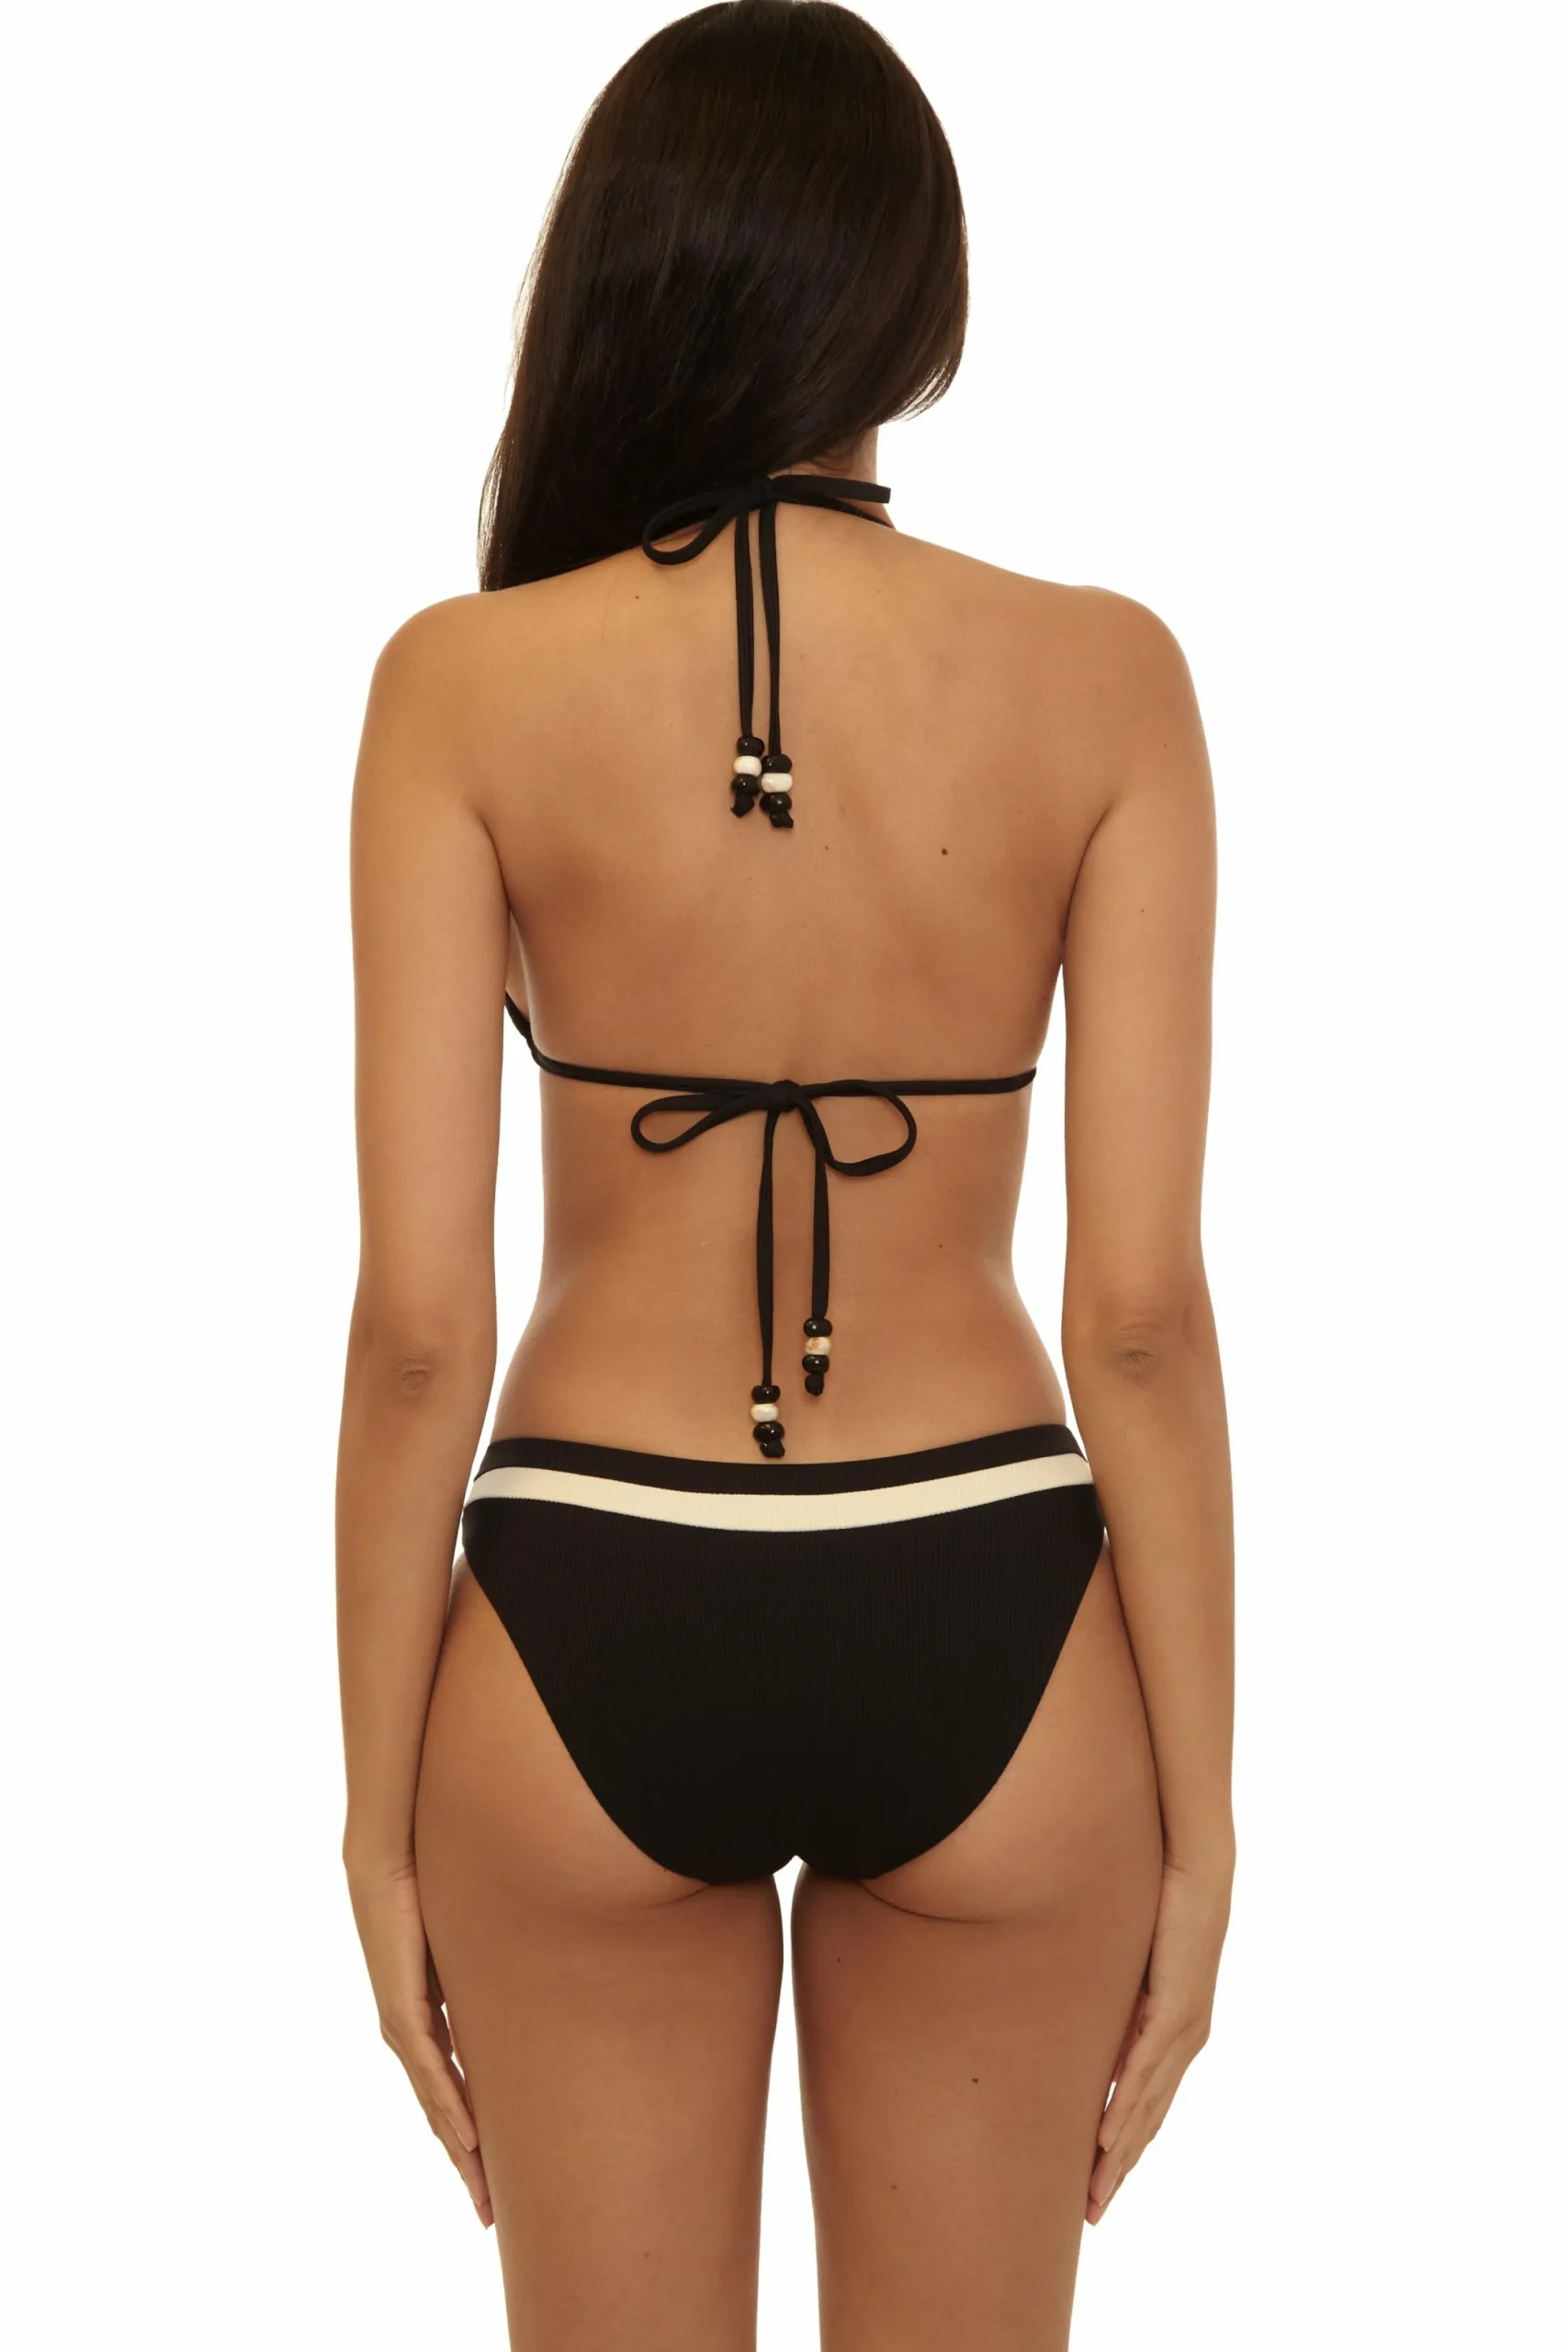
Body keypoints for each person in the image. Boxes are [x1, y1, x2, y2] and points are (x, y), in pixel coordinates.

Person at [335, 5, 1234, 2345]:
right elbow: (1139, 1314)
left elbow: (420, 1327)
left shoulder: (461, 684)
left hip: (587, 1589)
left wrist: (370, 1814)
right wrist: (1209, 1817)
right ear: (914, 296)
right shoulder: (1105, 678)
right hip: (990, 1591)